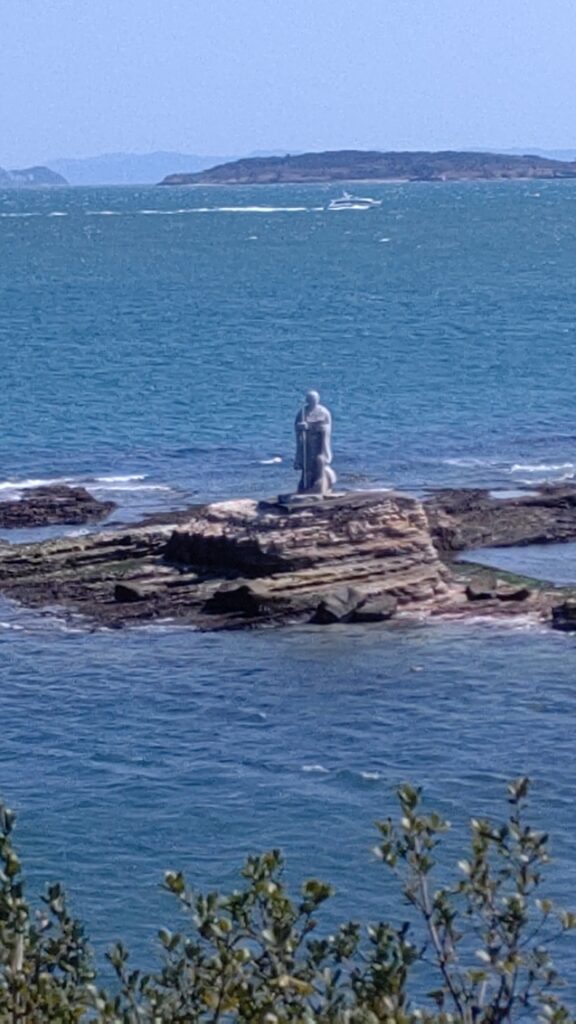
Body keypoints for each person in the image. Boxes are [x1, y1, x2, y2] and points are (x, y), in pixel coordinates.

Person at [294, 390, 336, 495]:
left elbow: (327, 427)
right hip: (307, 443)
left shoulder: (324, 412)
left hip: (319, 443)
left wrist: (319, 428)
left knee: (319, 461)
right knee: (307, 463)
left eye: (314, 399)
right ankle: (306, 484)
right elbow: (297, 426)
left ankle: (320, 484)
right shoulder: (303, 412)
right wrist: (301, 427)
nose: (312, 402)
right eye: (310, 400)